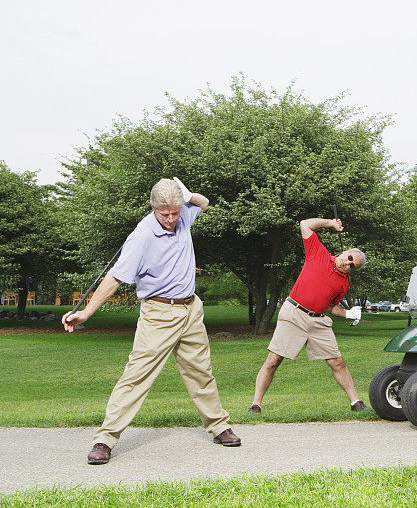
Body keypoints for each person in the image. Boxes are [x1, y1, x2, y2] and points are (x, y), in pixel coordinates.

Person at [62, 178, 241, 465]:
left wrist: (187, 195)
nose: (171, 219)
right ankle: (104, 439)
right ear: (153, 208)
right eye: (164, 214)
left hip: (192, 309)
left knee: (201, 372)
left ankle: (219, 425)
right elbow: (115, 278)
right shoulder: (142, 237)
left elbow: (203, 204)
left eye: (174, 212)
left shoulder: (182, 214)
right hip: (159, 314)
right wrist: (86, 313)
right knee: (137, 376)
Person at [249, 217, 369, 414]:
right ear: (345, 252)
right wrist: (330, 223)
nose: (348, 264)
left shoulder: (344, 284)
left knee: (337, 362)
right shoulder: (318, 252)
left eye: (352, 266)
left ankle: (356, 403)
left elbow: (331, 307)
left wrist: (348, 313)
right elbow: (305, 224)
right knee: (273, 360)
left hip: (318, 321)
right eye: (349, 258)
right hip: (294, 313)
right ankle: (256, 405)